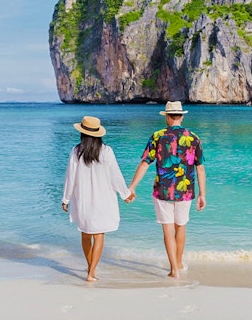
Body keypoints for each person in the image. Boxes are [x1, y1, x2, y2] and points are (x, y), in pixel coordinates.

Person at [127, 101, 206, 278]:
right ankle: (178, 263)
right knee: (181, 227)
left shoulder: (157, 136)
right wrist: (202, 194)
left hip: (162, 190)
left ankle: (174, 270)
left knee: (167, 229)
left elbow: (145, 162)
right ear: (182, 116)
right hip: (185, 191)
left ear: (167, 117)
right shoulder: (194, 137)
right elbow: (200, 167)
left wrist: (132, 186)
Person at [61, 115, 135, 282]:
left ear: (82, 134)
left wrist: (66, 199)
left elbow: (69, 178)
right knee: (99, 235)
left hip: (83, 200)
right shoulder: (106, 151)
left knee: (85, 234)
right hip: (103, 200)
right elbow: (115, 176)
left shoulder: (76, 151)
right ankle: (91, 272)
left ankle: (90, 268)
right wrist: (125, 194)